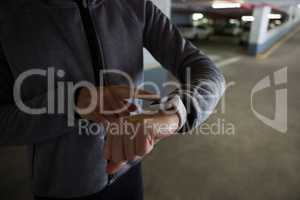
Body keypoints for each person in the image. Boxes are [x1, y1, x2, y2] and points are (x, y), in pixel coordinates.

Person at [0, 0, 225, 199]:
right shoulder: (8, 16)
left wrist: (175, 114)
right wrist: (71, 102)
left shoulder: (135, 5)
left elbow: (208, 72)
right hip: (63, 185)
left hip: (129, 169)